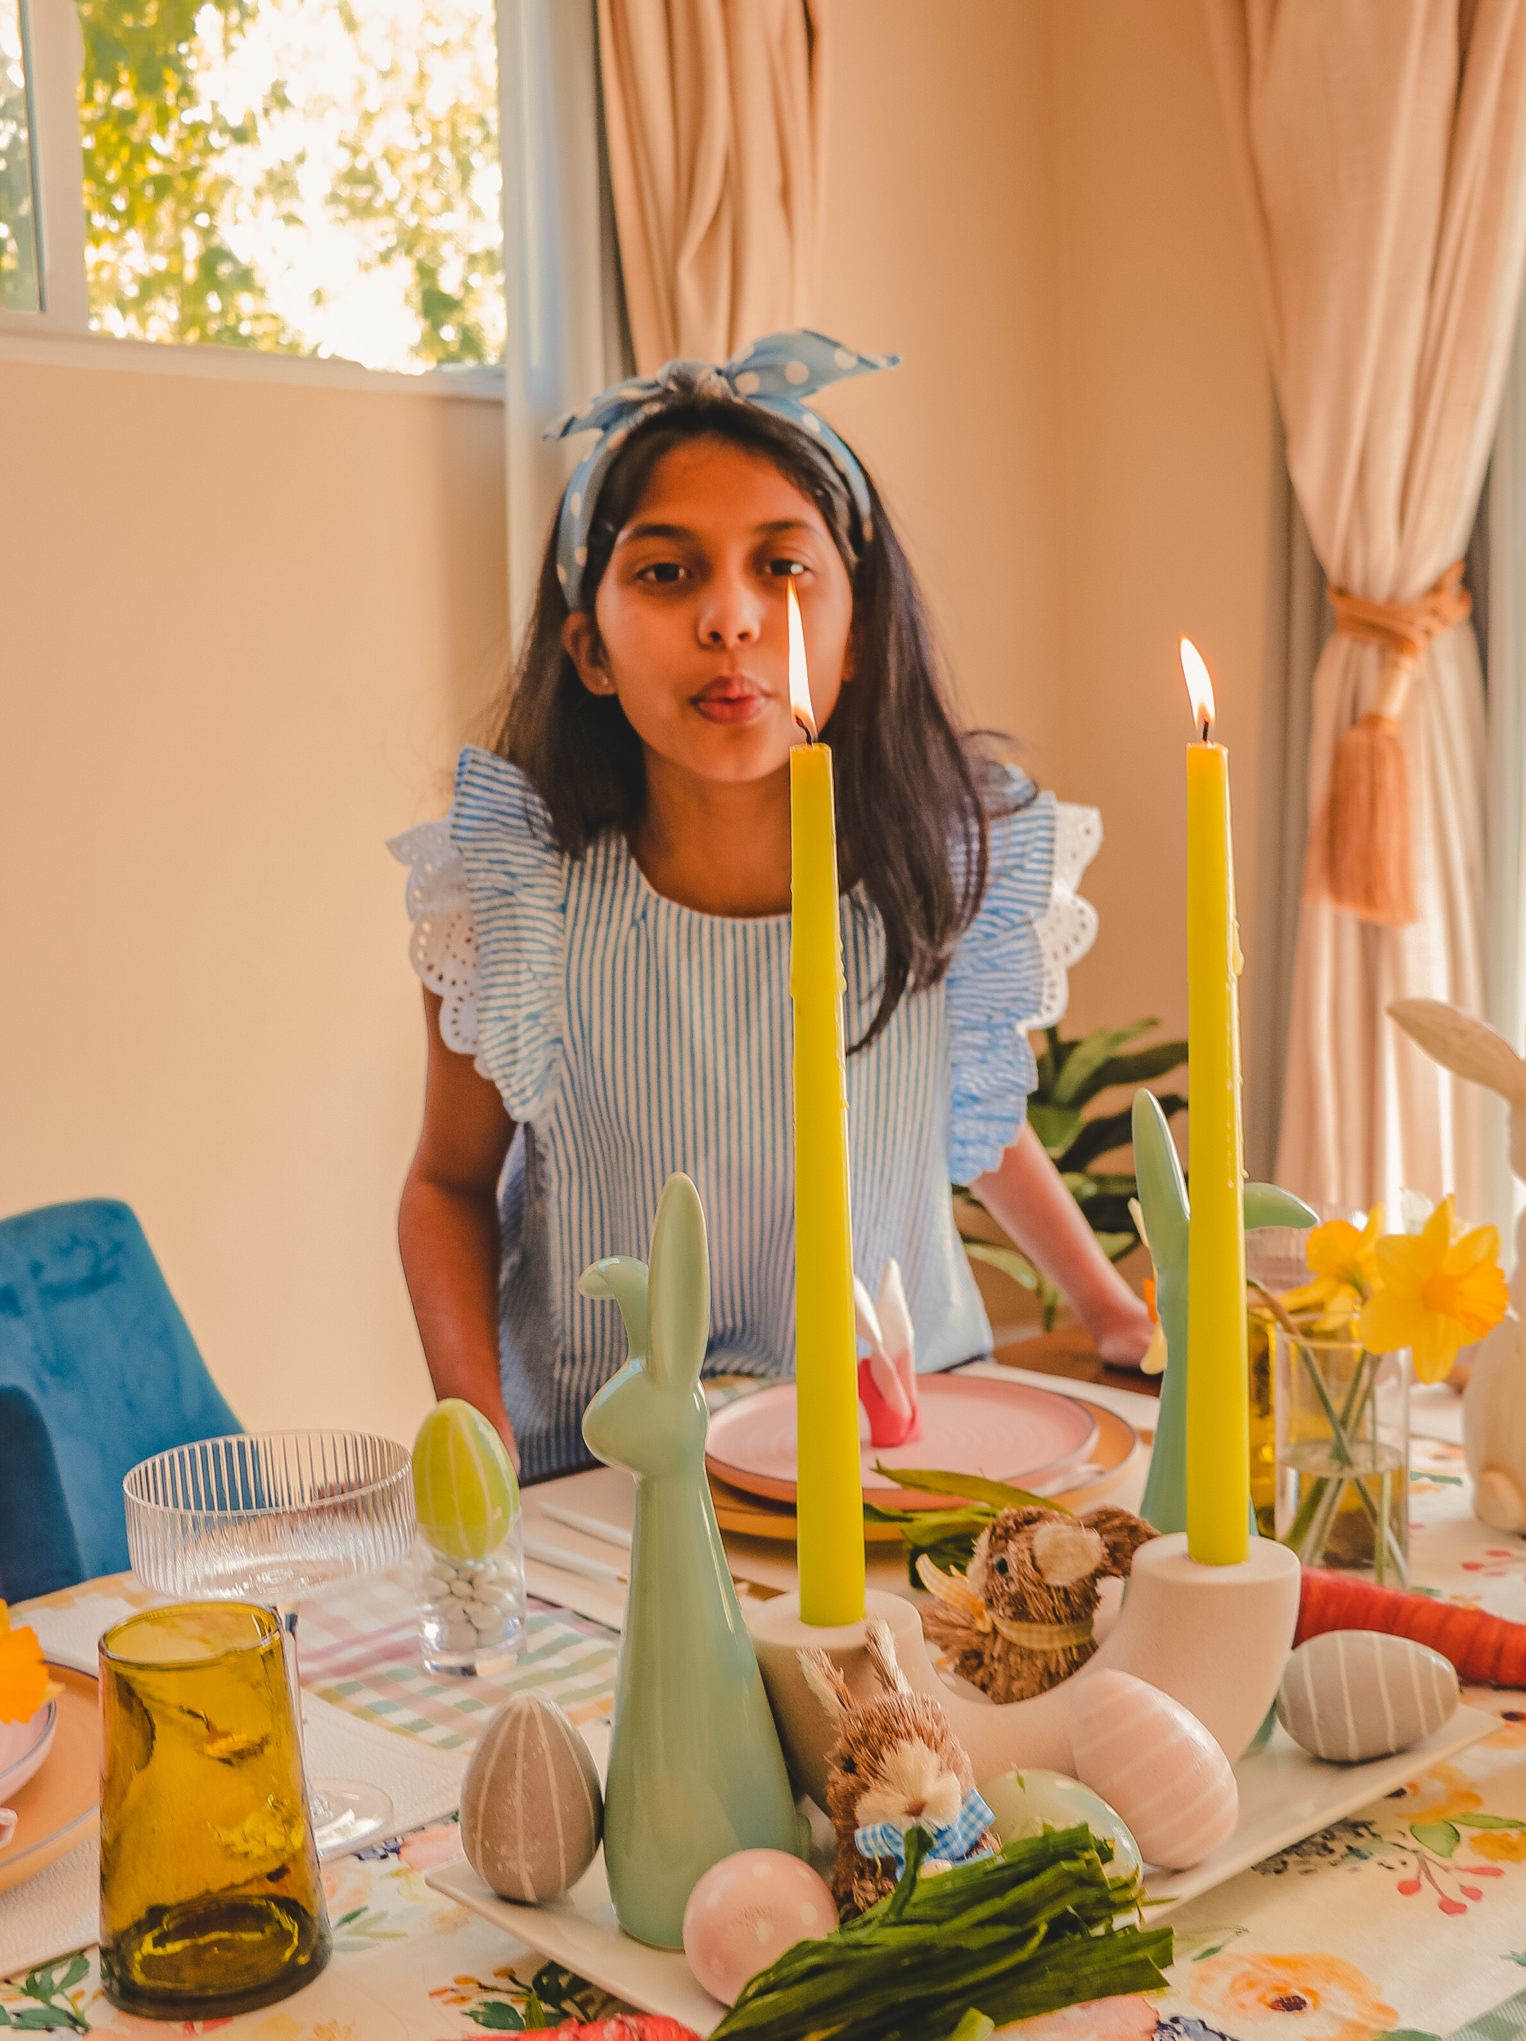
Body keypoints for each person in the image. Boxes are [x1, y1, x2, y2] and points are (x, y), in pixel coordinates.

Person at [392, 333, 1152, 1479]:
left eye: (783, 568)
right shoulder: (515, 904)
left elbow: (963, 1125)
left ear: (853, 639)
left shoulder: (944, 874)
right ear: (589, 650)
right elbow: (448, 1185)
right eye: (667, 571)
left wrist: (1107, 1307)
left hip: (907, 1458)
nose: (732, 618)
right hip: (621, 1485)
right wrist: (479, 1435)